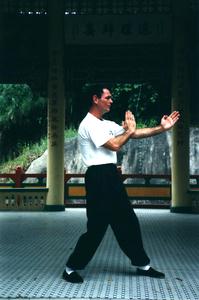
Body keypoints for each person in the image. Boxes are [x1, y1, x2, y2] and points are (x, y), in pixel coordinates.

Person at [63, 85, 180, 283]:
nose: (111, 101)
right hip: (98, 176)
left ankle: (142, 264)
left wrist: (162, 128)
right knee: (96, 229)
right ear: (95, 99)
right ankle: (70, 268)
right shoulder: (88, 124)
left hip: (110, 175)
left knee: (128, 221)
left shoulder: (106, 123)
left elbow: (134, 134)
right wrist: (128, 131)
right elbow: (116, 144)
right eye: (107, 97)